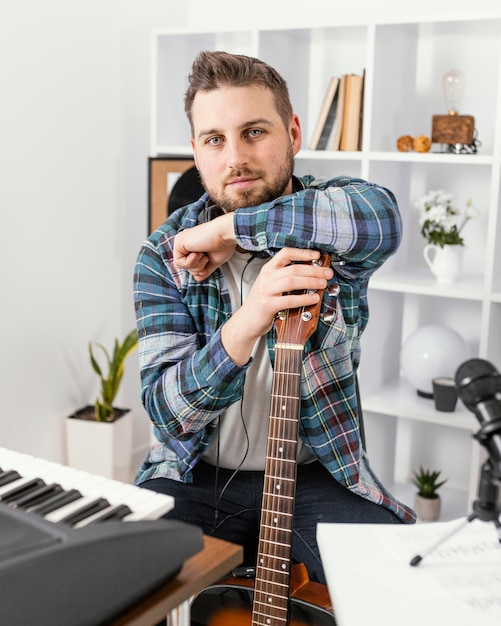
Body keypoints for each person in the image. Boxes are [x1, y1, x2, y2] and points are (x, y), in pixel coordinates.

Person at [134, 50, 416, 585]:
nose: (235, 157)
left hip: (316, 477)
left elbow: (382, 217)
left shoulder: (335, 220)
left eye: (255, 132)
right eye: (215, 139)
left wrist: (223, 231)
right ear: (196, 151)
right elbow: (167, 413)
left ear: (292, 132)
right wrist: (250, 318)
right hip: (194, 477)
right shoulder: (163, 255)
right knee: (120, 585)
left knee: (397, 586)